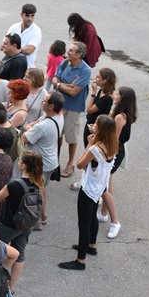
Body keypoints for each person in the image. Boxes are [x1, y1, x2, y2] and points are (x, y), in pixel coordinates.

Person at [59, 115, 118, 271]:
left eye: (96, 125)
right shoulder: (112, 144)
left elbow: (79, 164)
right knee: (92, 217)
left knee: (83, 223)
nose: (93, 126)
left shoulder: (95, 149)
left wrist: (90, 144)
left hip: (89, 188)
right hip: (99, 187)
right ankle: (91, 245)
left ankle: (80, 261)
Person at [0, 150, 44, 291]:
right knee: (19, 254)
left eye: (20, 161)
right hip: (26, 224)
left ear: (23, 166)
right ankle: (11, 287)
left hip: (8, 224)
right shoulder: (38, 184)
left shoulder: (14, 185)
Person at [22, 92, 65, 230]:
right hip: (50, 161)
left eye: (45, 101)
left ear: (51, 105)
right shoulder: (57, 116)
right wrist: (30, 127)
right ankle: (43, 216)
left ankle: (38, 220)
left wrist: (27, 128)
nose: (42, 101)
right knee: (42, 189)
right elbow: (34, 125)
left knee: (36, 192)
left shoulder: (44, 125)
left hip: (40, 163)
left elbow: (25, 137)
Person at [99, 86, 138, 239]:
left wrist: (98, 137)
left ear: (122, 99)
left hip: (113, 152)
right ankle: (103, 213)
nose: (114, 95)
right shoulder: (125, 114)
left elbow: (113, 140)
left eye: (117, 94)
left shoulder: (119, 117)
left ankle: (114, 221)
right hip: (116, 151)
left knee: (104, 185)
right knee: (108, 182)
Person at [71, 68, 116, 191]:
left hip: (97, 129)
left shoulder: (107, 98)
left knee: (91, 156)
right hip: (91, 125)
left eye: (98, 77)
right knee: (88, 151)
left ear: (105, 80)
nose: (95, 79)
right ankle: (85, 179)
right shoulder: (102, 91)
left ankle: (94, 184)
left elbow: (89, 109)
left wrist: (93, 93)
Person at [51, 41, 91, 178]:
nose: (67, 52)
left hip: (74, 108)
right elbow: (55, 79)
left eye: (71, 50)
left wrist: (59, 85)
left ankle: (70, 164)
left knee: (71, 137)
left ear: (79, 54)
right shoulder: (65, 62)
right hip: (59, 105)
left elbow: (74, 92)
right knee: (57, 134)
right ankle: (55, 160)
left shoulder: (86, 70)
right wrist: (65, 86)